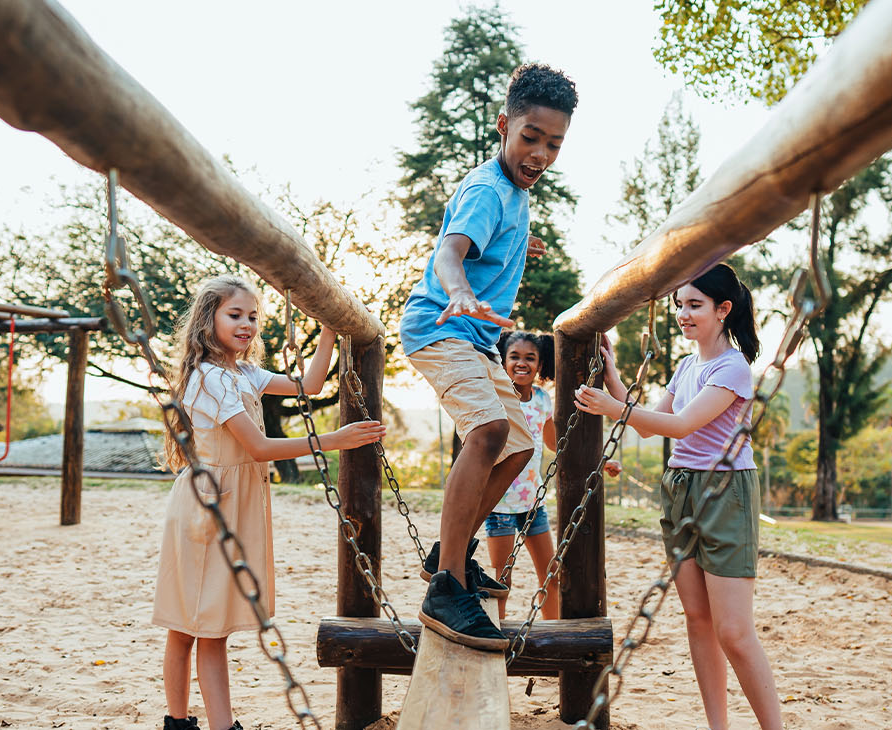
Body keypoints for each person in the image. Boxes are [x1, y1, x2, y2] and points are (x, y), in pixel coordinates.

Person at [152, 275, 385, 730]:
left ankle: (179, 723)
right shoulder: (209, 378)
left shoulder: (242, 373)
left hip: (233, 503)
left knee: (195, 624)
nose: (246, 325)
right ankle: (208, 724)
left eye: (253, 317)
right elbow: (257, 447)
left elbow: (310, 385)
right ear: (208, 319)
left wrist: (329, 329)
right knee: (198, 628)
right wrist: (331, 440)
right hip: (209, 505)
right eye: (234, 315)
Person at [399, 63, 579, 650]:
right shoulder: (486, 189)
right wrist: (457, 290)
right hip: (440, 326)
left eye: (553, 143)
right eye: (530, 137)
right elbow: (450, 252)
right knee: (489, 430)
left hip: (474, 340)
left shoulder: (513, 196)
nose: (540, 153)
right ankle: (446, 587)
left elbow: (486, 235)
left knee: (521, 443)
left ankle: (446, 554)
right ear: (504, 125)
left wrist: (516, 241)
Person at [574, 263, 782, 730]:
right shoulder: (688, 365)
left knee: (734, 630)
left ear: (723, 310)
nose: (684, 314)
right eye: (680, 306)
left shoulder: (733, 368)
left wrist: (613, 408)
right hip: (680, 487)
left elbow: (683, 424)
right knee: (697, 619)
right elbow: (650, 425)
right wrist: (612, 378)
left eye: (695, 305)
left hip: (724, 492)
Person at [486, 330, 621, 620]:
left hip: (533, 503)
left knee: (551, 575)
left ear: (540, 363)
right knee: (502, 579)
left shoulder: (542, 400)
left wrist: (600, 460)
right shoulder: (496, 397)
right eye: (515, 357)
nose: (522, 363)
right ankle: (496, 634)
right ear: (503, 360)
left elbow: (556, 444)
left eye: (530, 358)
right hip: (499, 504)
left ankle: (552, 630)